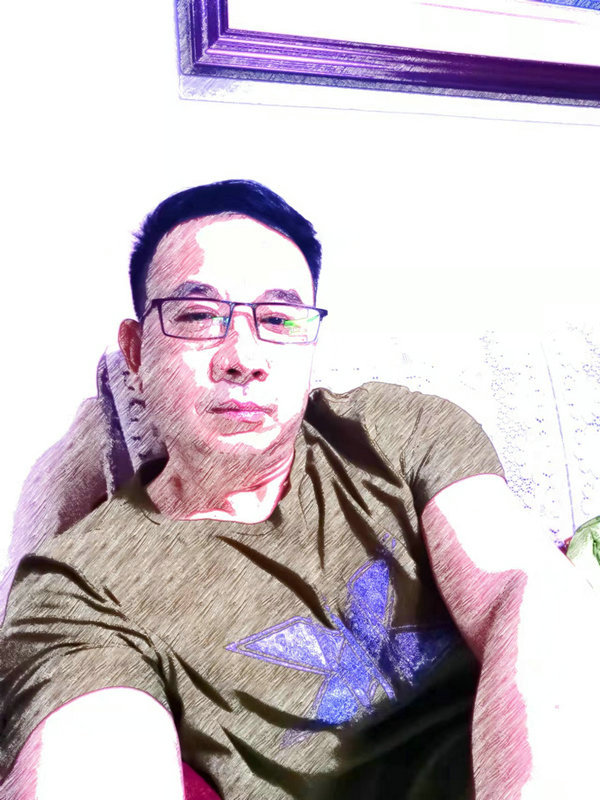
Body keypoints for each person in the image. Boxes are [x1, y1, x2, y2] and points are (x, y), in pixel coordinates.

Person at [0, 180, 598, 800]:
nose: (244, 357)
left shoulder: (398, 431)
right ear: (135, 351)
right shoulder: (77, 583)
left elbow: (520, 588)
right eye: (198, 316)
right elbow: (89, 755)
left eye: (279, 320)